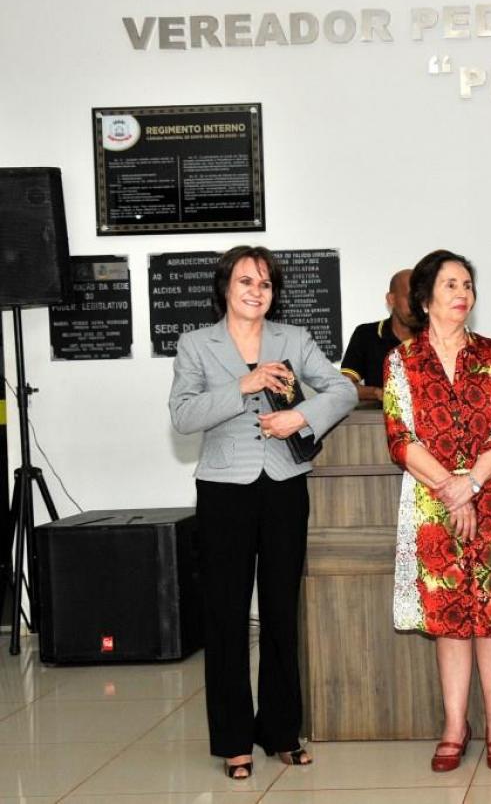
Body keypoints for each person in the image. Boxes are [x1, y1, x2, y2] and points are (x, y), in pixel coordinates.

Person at [168, 245, 357, 780]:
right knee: (225, 615)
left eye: (266, 283)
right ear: (225, 287)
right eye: (246, 281)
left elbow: (342, 389)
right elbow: (183, 415)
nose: (256, 291)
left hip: (284, 487)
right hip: (223, 489)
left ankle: (281, 731)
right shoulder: (195, 344)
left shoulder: (293, 339)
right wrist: (242, 385)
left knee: (280, 611)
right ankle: (233, 740)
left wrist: (301, 416)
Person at [384, 249, 491, 773]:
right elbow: (400, 437)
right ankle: (455, 725)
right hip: (433, 501)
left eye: (468, 285)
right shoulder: (401, 361)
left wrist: (470, 484)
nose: (462, 294)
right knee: (449, 617)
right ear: (425, 298)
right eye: (451, 284)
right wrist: (450, 489)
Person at [341, 268, 415, 403]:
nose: (417, 305)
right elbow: (343, 387)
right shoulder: (366, 335)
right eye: (411, 297)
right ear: (391, 299)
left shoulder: (439, 336)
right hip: (378, 415)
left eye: (422, 297)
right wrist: (378, 393)